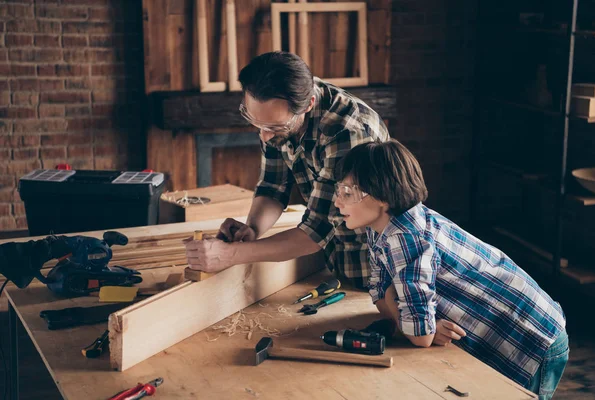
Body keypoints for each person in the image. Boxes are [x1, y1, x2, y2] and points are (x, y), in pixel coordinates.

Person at [334, 139, 568, 399]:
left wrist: (417, 323)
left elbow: (420, 336)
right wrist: (411, 318)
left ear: (382, 198)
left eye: (347, 192)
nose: (337, 201)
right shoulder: (380, 231)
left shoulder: (407, 238)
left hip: (532, 336)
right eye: (338, 190)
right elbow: (379, 293)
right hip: (509, 330)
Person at [185, 51, 390, 287]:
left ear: (308, 105)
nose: (264, 135)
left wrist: (230, 255)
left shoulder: (346, 133)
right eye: (255, 122)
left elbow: (316, 231)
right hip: (332, 267)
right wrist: (252, 230)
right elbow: (273, 186)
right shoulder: (276, 114)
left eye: (274, 127)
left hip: (374, 274)